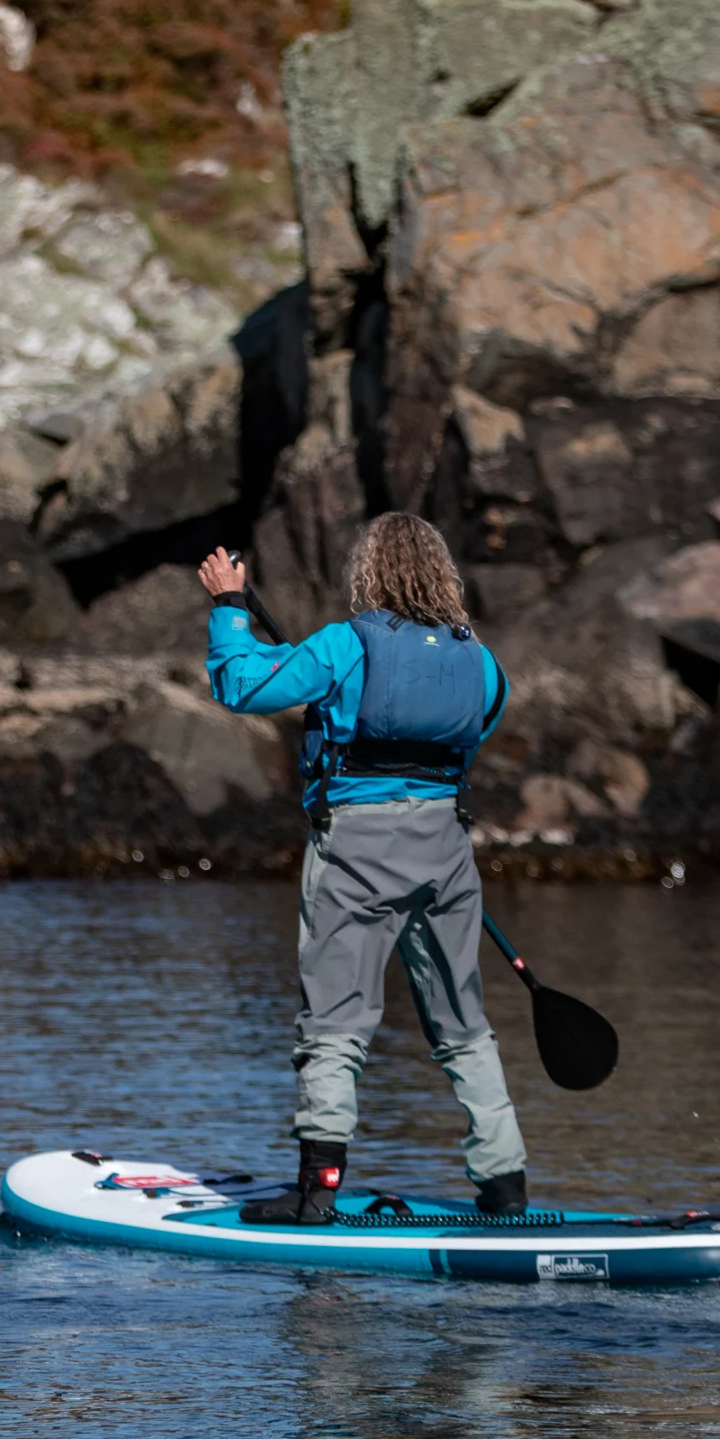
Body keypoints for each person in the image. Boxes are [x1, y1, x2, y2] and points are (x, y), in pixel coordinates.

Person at [197, 515, 528, 1225]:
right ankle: (505, 1188)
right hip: (444, 851)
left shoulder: (347, 645)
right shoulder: (482, 660)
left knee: (336, 1022)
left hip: (354, 850)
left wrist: (229, 607)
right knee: (462, 1022)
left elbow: (243, 686)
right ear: (442, 572)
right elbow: (481, 721)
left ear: (369, 572)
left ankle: (318, 1191)